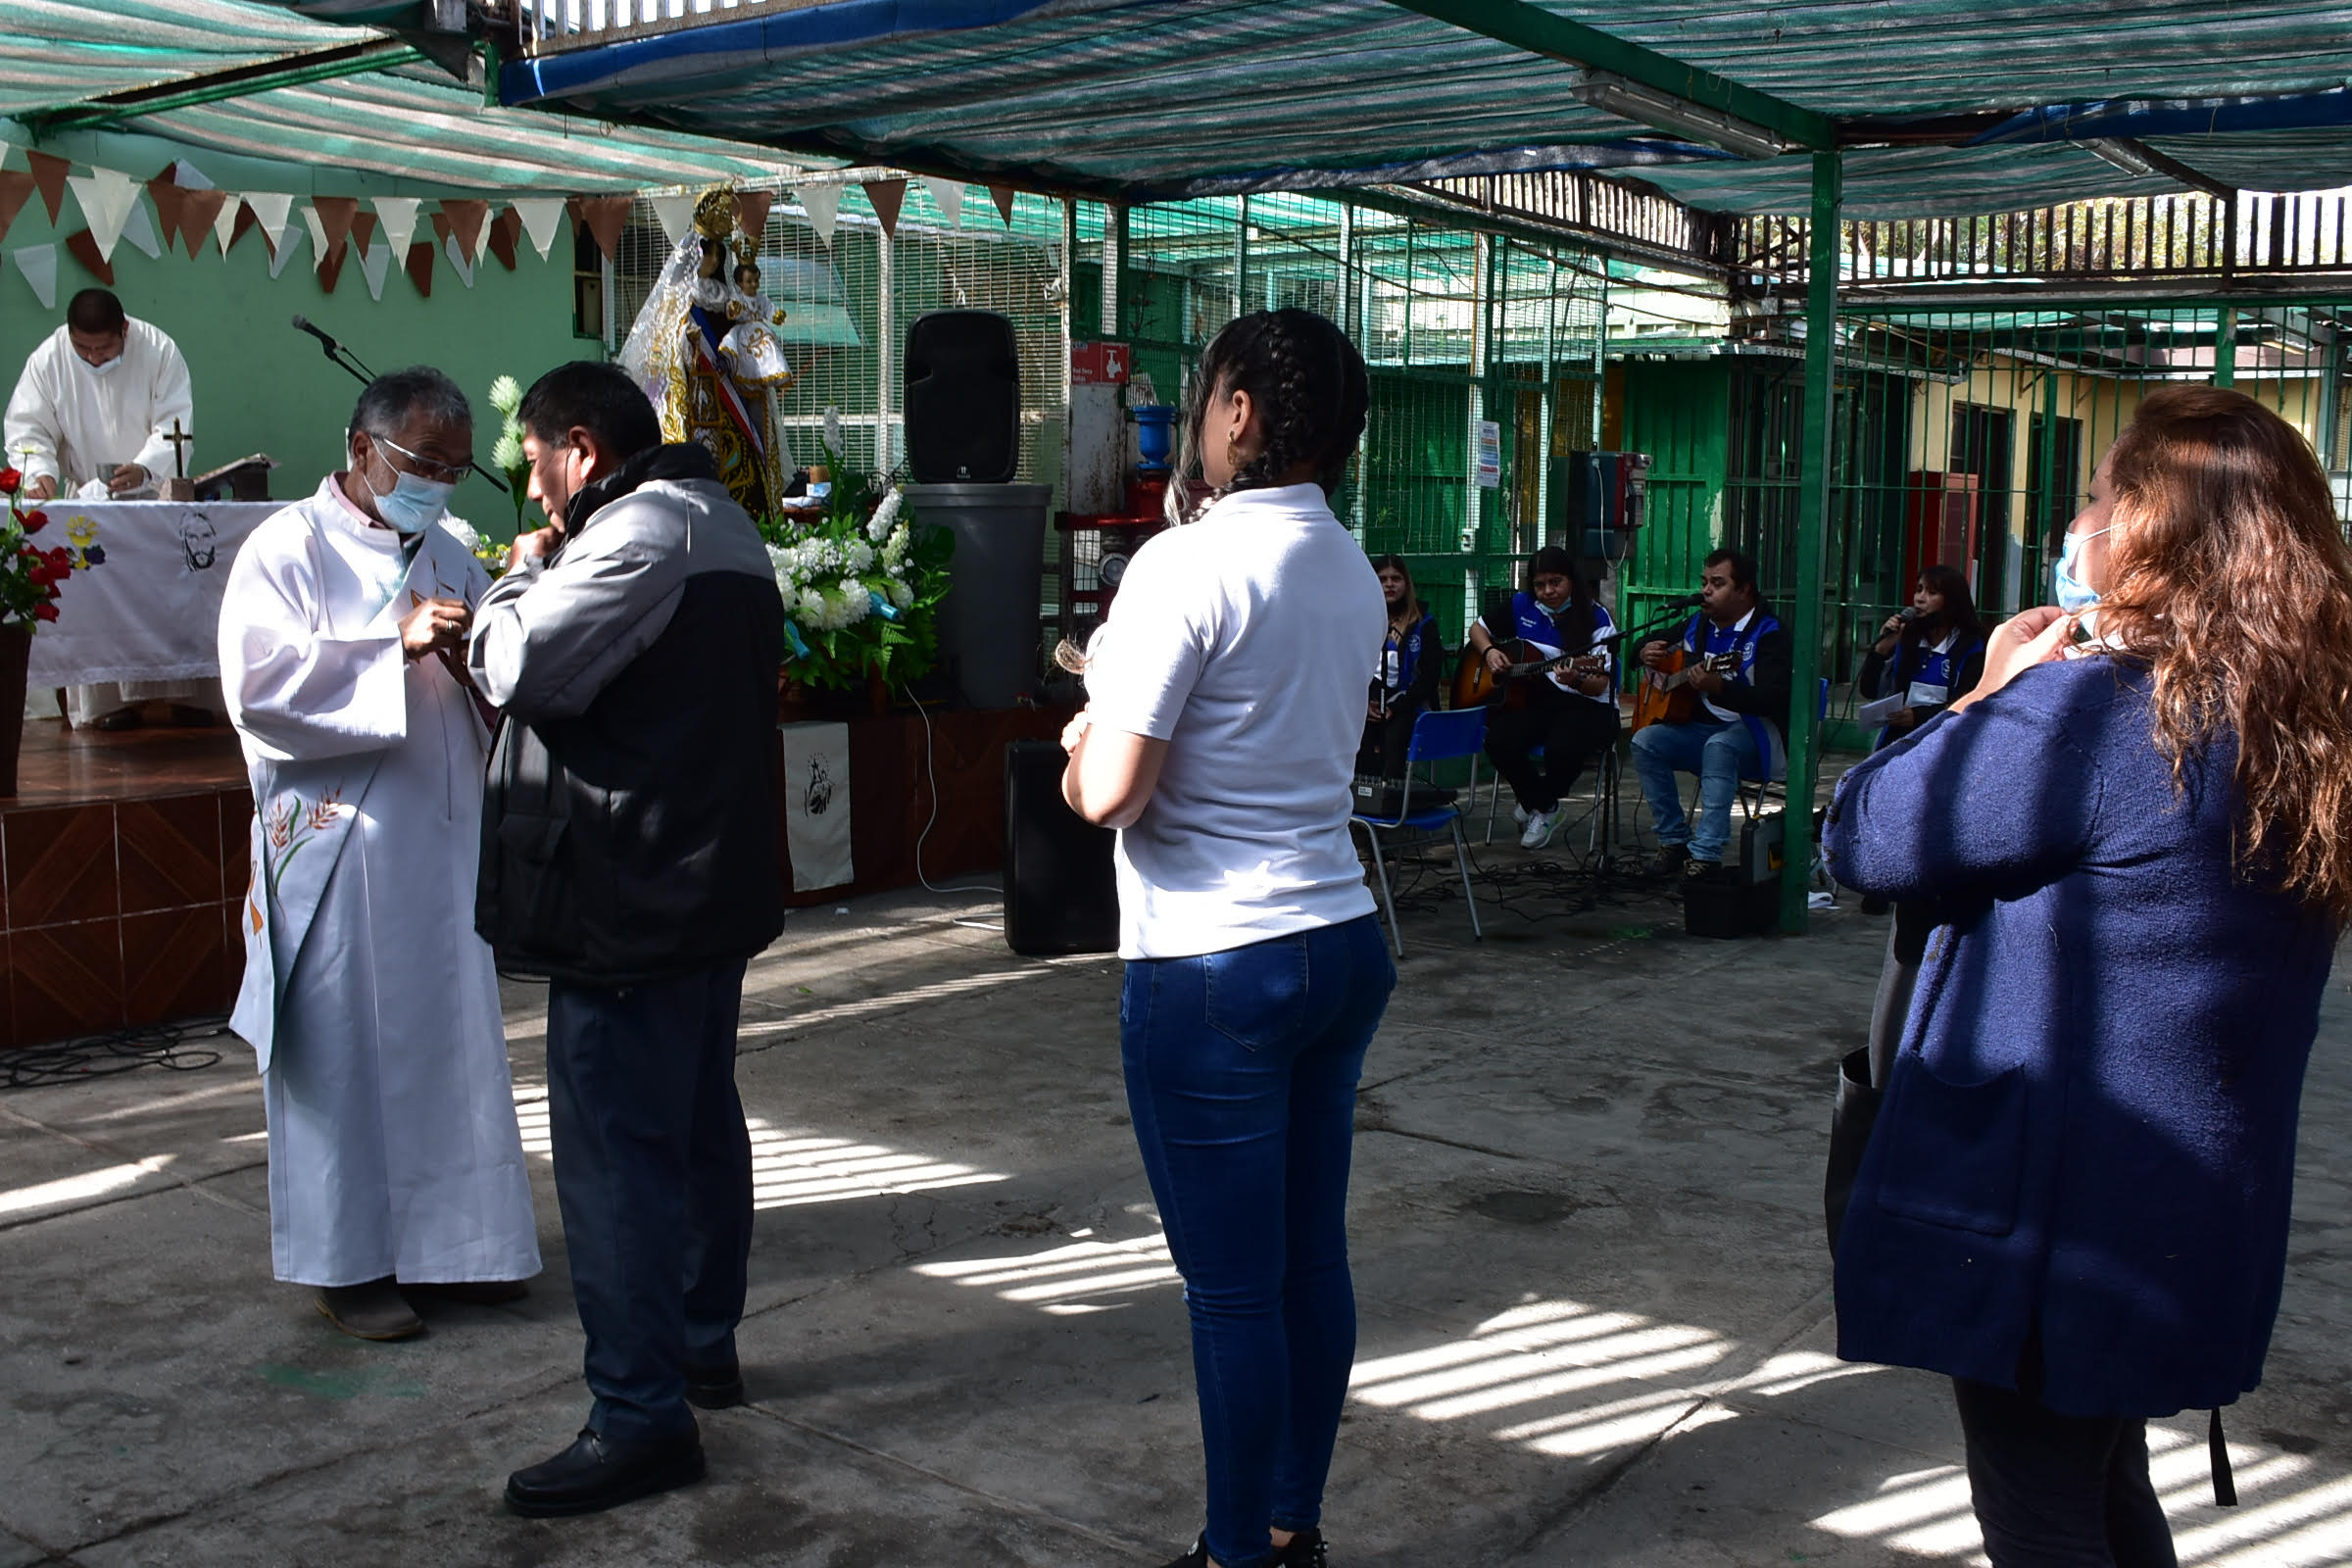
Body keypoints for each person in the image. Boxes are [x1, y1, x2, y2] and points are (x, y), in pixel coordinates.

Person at [1824, 385, 2352, 1567]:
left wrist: (1985, 697)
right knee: (2102, 1479)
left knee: (2040, 1508)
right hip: (2182, 1189)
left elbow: (1866, 834)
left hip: (2051, 1203)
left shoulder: (2102, 713)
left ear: (2149, 527)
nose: (2077, 523)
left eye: (2097, 496)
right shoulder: (2296, 710)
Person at [1062, 308, 1395, 1568]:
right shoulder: (1349, 567)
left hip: (1215, 964)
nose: (1197, 422)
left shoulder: (1185, 568)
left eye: (1204, 399)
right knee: (1310, 1262)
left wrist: (1083, 742)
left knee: (1233, 1291)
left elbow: (1111, 792)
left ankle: (1233, 1552)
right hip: (1338, 936)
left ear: (1240, 410)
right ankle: (1291, 1525)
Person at [470, 360, 786, 1518]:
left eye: (536, 462)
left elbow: (521, 666)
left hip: (631, 894)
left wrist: (517, 578)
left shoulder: (637, 535)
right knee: (697, 1125)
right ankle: (701, 1345)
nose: (534, 488)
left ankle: (640, 1415)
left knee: (615, 1159)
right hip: (705, 886)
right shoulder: (726, 525)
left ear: (583, 453)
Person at [217, 367, 539, 1344]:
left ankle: (461, 1248)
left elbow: (498, 686)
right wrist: (389, 648)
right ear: (362, 447)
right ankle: (348, 1264)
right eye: (422, 462)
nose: (437, 483)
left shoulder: (450, 554)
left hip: (440, 849)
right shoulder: (285, 548)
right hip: (339, 856)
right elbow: (258, 692)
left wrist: (478, 665)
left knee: (450, 1049)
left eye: (454, 468)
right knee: (344, 1057)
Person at [7, 287, 215, 729]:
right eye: (83, 349)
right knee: (98, 597)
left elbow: (174, 424)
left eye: (103, 349)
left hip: (150, 498)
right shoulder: (49, 360)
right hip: (89, 499)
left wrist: (145, 469)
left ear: (125, 330)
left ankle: (183, 696)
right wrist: (39, 474)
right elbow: (29, 428)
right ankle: (107, 706)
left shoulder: (158, 350)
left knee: (166, 595)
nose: (93, 358)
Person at [1629, 548, 1791, 881]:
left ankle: (1706, 857)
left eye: (1717, 584)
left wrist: (1720, 688)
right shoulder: (1698, 623)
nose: (1705, 591)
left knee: (1719, 747)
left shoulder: (1769, 633)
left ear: (1744, 590)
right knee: (1646, 741)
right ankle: (1674, 841)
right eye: (1704, 582)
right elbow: (1645, 645)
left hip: (1756, 735)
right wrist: (1642, 650)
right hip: (1703, 730)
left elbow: (1774, 699)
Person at [1462, 546, 1619, 849]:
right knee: (1498, 740)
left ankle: (1537, 802)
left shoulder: (1596, 619)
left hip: (1590, 706)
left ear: (1571, 580)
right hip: (1541, 698)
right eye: (1540, 584)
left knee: (1562, 748)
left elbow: (1600, 685)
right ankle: (1545, 804)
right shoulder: (1523, 605)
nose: (1548, 591)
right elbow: (1477, 629)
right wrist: (1490, 651)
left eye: (1556, 582)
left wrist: (1576, 679)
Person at [1857, 564, 1986, 749]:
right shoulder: (1907, 638)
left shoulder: (1972, 646)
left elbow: (1968, 703)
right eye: (1919, 590)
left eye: (1932, 593)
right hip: (1899, 739)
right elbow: (1869, 691)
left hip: (1946, 739)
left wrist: (1918, 716)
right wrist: (1881, 651)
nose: (1920, 599)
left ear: (1952, 602)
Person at [1358, 553, 1444, 780]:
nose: (1389, 585)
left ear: (1406, 583)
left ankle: (1392, 794)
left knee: (1394, 735)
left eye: (1396, 578)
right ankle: (1364, 793)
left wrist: (1395, 707)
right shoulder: (1362, 619)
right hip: (1371, 700)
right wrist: (1364, 703)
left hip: (1410, 704)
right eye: (1382, 579)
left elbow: (1430, 677)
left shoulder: (1423, 623)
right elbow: (1351, 669)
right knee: (1357, 732)